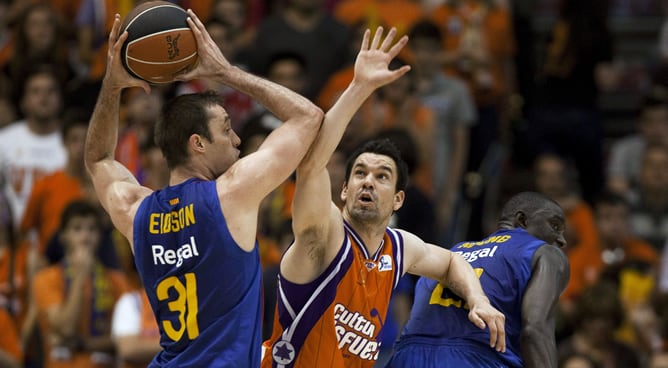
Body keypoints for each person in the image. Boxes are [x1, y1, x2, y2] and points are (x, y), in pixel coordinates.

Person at [84, 9, 323, 368]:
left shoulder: (135, 211)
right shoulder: (232, 194)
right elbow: (308, 117)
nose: (237, 139)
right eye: (227, 129)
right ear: (198, 143)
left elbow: (99, 159)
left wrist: (113, 84)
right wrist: (227, 72)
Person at [261, 27, 505, 367]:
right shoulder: (326, 231)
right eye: (359, 173)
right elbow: (311, 164)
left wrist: (478, 300)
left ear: (398, 200)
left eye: (381, 177)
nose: (368, 182)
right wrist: (360, 88)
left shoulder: (400, 247)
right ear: (344, 190)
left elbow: (452, 262)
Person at [387, 191, 570, 368]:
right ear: (522, 220)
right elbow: (534, 330)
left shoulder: (451, 254)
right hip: (476, 358)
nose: (562, 240)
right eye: (554, 226)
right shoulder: (544, 253)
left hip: (405, 357)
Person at [31, 200, 130, 368]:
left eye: (92, 229)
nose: (85, 237)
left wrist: (83, 344)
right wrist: (80, 277)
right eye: (77, 229)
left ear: (99, 236)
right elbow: (66, 329)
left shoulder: (117, 281)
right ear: (63, 236)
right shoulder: (45, 278)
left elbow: (125, 338)